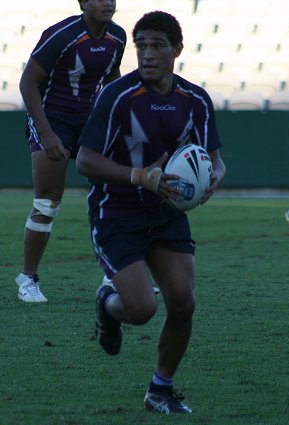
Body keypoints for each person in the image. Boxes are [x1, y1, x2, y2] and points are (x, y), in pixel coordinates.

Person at [76, 11, 226, 414]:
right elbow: (85, 161)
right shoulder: (117, 96)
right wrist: (138, 176)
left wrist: (213, 177)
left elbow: (215, 158)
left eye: (157, 45)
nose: (147, 53)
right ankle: (108, 304)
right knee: (141, 310)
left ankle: (160, 389)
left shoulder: (195, 100)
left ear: (177, 49)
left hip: (166, 213)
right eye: (141, 45)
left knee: (183, 301)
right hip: (117, 215)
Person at [16, 0, 126, 302]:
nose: (109, 2)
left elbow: (112, 80)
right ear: (83, 3)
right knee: (47, 203)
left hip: (88, 122)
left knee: (116, 194)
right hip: (53, 120)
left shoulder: (118, 36)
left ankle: (116, 275)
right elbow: (28, 82)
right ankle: (28, 279)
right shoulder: (61, 34)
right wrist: (47, 133)